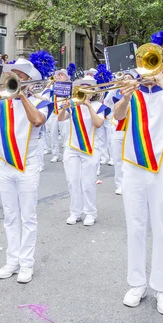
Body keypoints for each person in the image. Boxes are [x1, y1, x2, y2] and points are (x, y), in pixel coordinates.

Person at [114, 71, 163, 315]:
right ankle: (137, 284)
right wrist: (125, 98)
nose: (149, 74)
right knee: (135, 226)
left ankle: (162, 288)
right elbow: (117, 116)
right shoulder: (130, 93)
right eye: (145, 69)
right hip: (134, 165)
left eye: (154, 68)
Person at [0, 58, 53, 284]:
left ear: (30, 81)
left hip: (28, 164)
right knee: (10, 217)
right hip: (6, 164)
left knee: (28, 217)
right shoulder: (2, 101)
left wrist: (22, 97)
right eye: (14, 76)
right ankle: (12, 261)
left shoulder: (42, 100)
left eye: (20, 76)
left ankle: (26, 263)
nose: (16, 79)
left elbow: (38, 120)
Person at [58, 76, 108, 226]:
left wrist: (88, 106)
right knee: (72, 181)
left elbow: (98, 123)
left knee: (88, 183)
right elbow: (60, 119)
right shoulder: (73, 105)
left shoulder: (99, 106)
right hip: (72, 147)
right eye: (82, 88)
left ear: (93, 92)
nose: (85, 91)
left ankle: (90, 213)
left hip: (91, 148)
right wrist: (65, 108)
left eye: (88, 88)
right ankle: (75, 212)